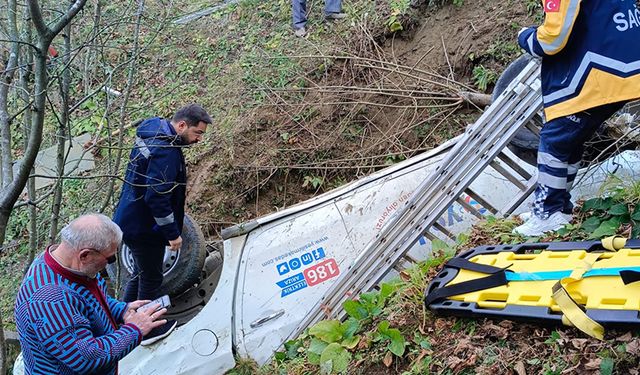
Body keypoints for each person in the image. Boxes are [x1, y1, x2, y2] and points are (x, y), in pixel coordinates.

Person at [512, 0, 640, 236]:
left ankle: (547, 213)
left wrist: (525, 37)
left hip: (597, 72)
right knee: (570, 140)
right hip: (622, 67)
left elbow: (553, 39)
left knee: (555, 140)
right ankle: (558, 207)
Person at [14, 214, 168, 374]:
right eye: (110, 259)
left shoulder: (74, 268)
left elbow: (91, 303)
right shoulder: (49, 299)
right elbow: (87, 358)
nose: (111, 262)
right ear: (85, 255)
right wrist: (135, 329)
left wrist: (122, 310)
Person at [112, 104, 211, 337]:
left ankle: (123, 319)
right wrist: (172, 234)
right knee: (152, 276)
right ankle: (149, 329)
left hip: (130, 218)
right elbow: (157, 197)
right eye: (197, 133)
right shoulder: (165, 150)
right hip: (143, 225)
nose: (198, 140)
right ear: (182, 125)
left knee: (140, 272)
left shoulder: (153, 131)